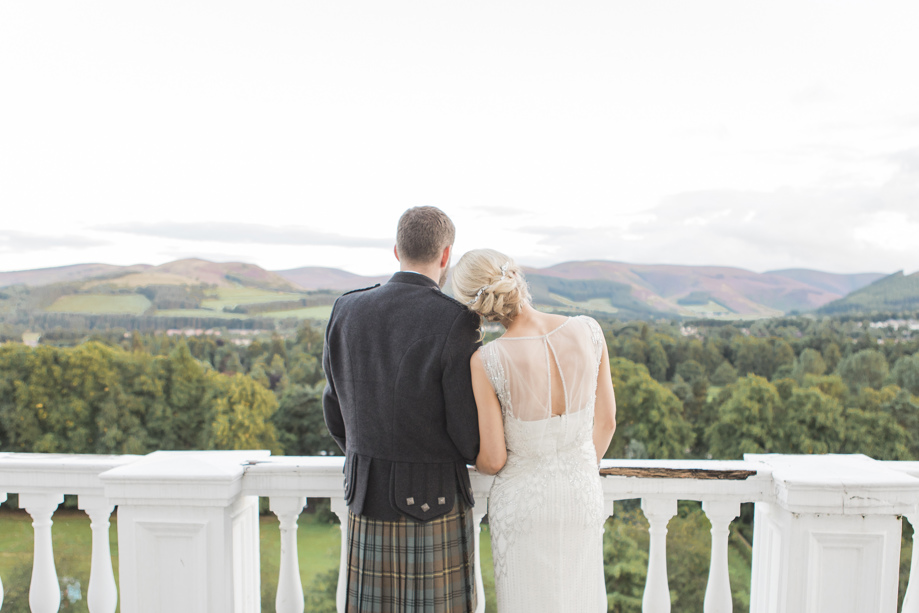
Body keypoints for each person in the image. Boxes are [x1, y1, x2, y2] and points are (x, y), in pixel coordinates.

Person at [322, 206, 482, 613]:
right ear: (445, 256)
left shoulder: (345, 310)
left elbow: (334, 408)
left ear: (397, 250)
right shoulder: (456, 320)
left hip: (365, 496)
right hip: (435, 503)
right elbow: (467, 434)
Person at [452, 248, 617, 613]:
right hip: (582, 495)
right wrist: (577, 470)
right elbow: (607, 423)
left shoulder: (487, 360)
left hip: (524, 507)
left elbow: (494, 460)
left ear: (475, 307)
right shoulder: (589, 330)